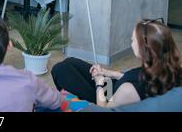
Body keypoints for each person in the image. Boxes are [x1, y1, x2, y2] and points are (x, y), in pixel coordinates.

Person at [51, 18, 182, 108]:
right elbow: (137, 78)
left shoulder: (128, 90)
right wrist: (107, 73)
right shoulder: (164, 67)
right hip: (113, 88)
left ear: (144, 48)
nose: (131, 41)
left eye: (133, 40)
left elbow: (104, 108)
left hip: (105, 97)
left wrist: (99, 83)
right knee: (70, 62)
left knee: (60, 70)